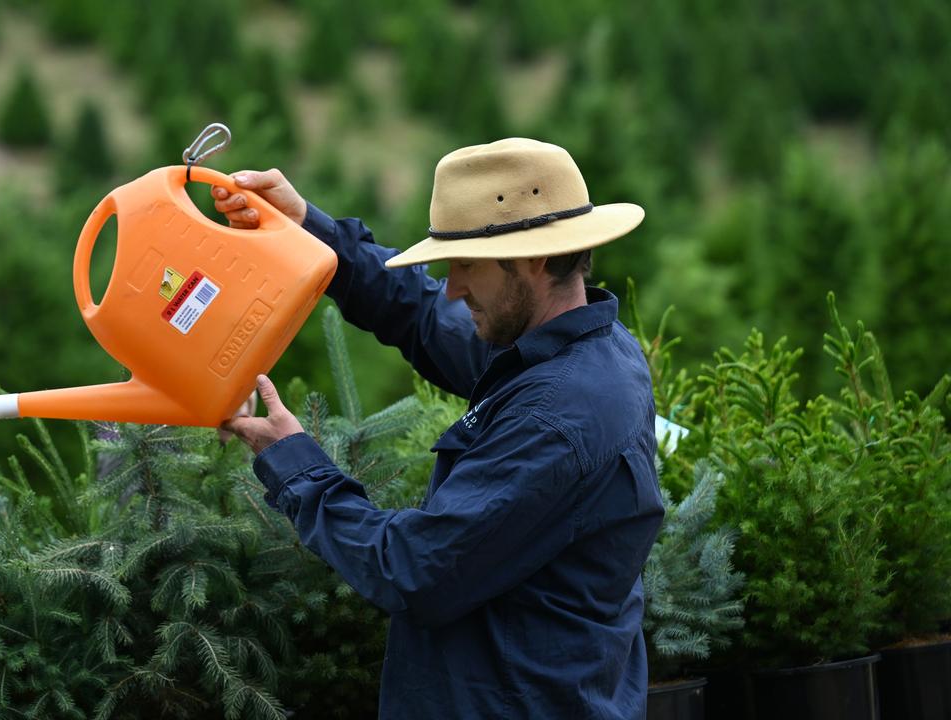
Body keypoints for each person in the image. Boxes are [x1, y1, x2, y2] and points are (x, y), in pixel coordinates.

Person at [216, 138, 665, 719]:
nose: (452, 286)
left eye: (465, 266)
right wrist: (309, 228)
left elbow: (413, 570)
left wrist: (292, 462)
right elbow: (425, 315)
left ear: (531, 260)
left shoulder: (557, 415)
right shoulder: (575, 349)